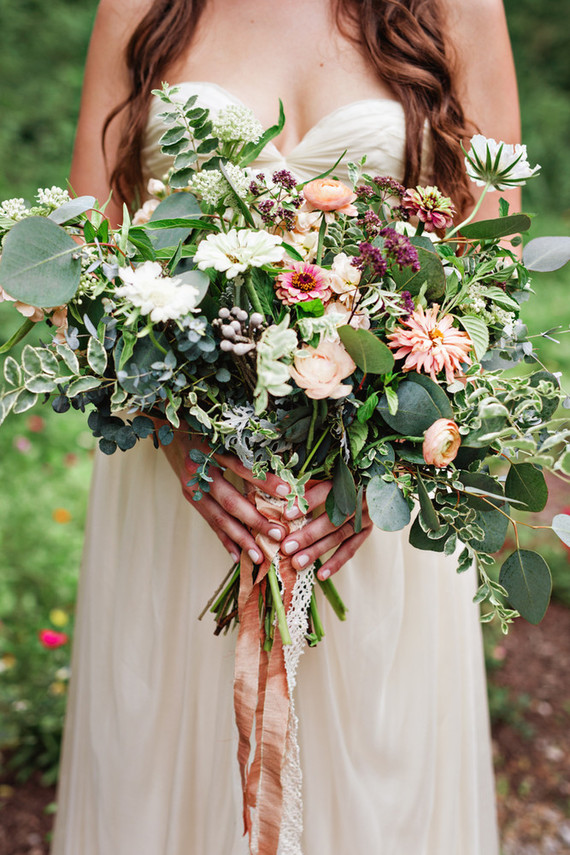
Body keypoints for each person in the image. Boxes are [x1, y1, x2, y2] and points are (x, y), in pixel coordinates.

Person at [52, 1, 520, 852]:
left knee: (380, 790)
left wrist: (379, 455)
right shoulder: (139, 6)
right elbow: (79, 259)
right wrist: (175, 434)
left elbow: (490, 262)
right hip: (187, 491)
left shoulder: (452, 7)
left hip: (370, 505)